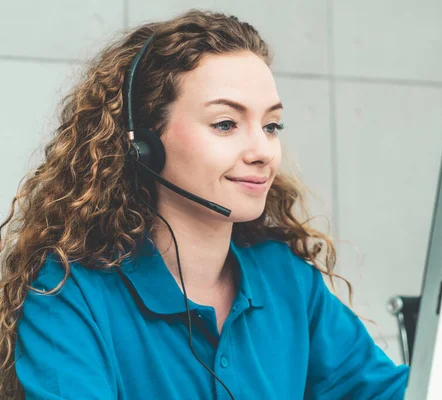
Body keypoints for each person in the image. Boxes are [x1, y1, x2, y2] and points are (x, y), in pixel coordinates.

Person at [0, 9, 410, 400]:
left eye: (271, 126)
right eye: (226, 124)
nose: (263, 151)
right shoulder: (69, 292)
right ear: (144, 145)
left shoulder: (288, 280)